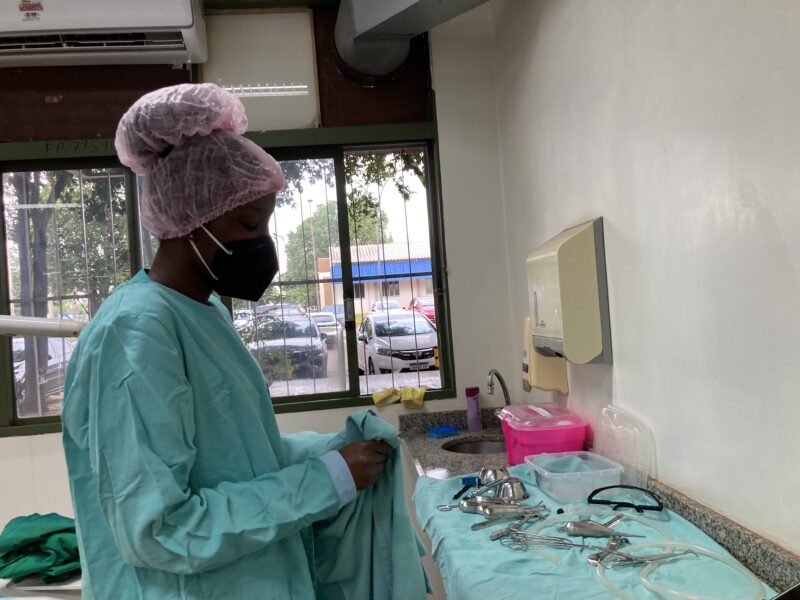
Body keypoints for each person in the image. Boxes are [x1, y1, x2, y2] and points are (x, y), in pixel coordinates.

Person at [61, 83, 392, 599]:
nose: (264, 244)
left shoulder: (203, 311)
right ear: (190, 217)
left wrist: (329, 453)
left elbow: (235, 455)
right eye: (247, 222)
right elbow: (161, 530)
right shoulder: (136, 332)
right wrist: (326, 480)